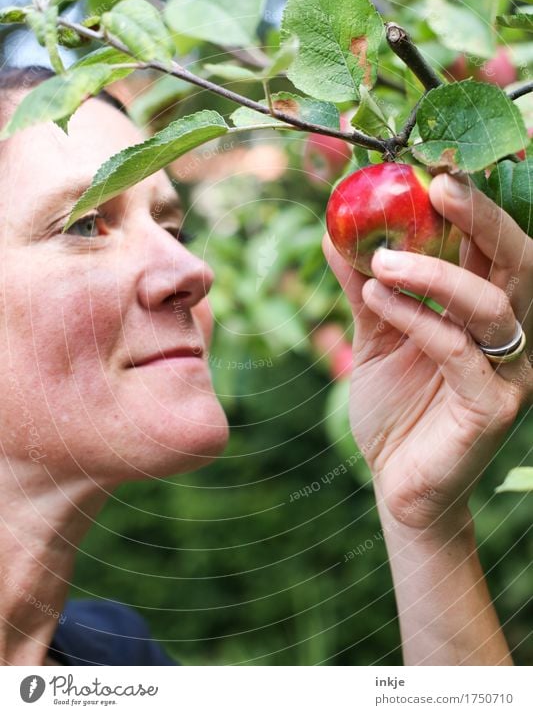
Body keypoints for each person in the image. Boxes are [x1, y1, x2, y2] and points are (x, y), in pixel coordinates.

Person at [0, 66, 531, 667]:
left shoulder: (116, 661)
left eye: (174, 227)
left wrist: (423, 523)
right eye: (86, 225)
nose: (194, 271)